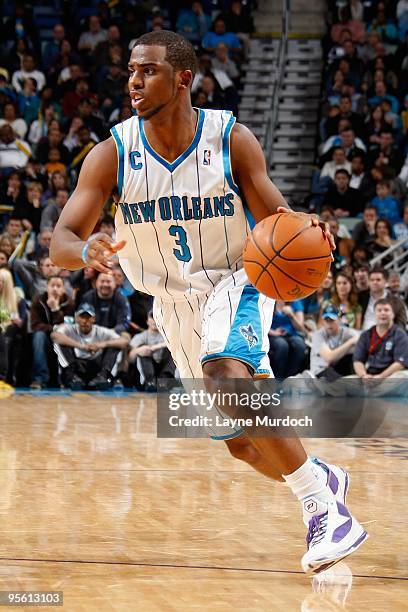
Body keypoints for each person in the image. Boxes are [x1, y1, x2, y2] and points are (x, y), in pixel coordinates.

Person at [50, 30, 367, 573]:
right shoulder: (112, 154)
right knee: (242, 444)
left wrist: (307, 233)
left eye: (146, 70)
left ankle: (324, 509)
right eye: (130, 71)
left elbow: (276, 220)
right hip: (171, 304)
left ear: (182, 78)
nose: (133, 81)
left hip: (235, 278)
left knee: (225, 375)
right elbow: (61, 241)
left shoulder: (231, 140)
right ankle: (320, 475)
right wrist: (86, 248)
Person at [52, 303, 129, 390]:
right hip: (76, 365)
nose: (85, 321)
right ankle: (72, 377)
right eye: (82, 317)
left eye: (88, 317)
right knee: (59, 343)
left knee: (116, 346)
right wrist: (81, 346)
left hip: (96, 366)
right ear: (77, 318)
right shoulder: (70, 328)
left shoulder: (100, 331)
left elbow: (124, 342)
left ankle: (103, 376)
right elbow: (55, 336)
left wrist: (101, 345)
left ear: (93, 319)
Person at [348, 298, 408, 396]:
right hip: (370, 375)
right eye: (379, 310)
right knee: (342, 382)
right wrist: (364, 376)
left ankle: (371, 393)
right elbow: (357, 360)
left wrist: (381, 377)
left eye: (386, 310)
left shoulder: (400, 335)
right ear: (374, 314)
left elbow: (400, 363)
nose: (383, 313)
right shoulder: (366, 335)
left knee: (403, 377)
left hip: (391, 375)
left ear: (393, 314)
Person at [30, 275, 75, 388]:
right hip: (44, 338)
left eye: (58, 286)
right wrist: (54, 329)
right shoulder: (38, 301)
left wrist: (56, 310)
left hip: (61, 339)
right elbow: (35, 325)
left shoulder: (69, 303)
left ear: (63, 289)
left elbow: (68, 328)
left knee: (66, 339)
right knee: (38, 336)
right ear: (47, 287)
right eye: (52, 286)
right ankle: (40, 379)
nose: (55, 289)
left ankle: (66, 379)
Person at [128, 309, 175, 391]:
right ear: (147, 321)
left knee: (172, 350)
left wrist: (155, 347)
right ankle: (150, 381)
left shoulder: (168, 336)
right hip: (144, 373)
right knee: (143, 349)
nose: (155, 320)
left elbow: (176, 344)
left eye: (157, 317)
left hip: (162, 370)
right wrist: (138, 350)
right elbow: (130, 359)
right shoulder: (140, 337)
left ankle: (164, 380)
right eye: (152, 317)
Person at [309, 304, 359, 379]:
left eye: (332, 320)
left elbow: (361, 338)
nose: (329, 324)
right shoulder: (318, 335)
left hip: (336, 367)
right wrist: (350, 343)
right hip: (320, 371)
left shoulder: (346, 332)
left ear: (339, 320)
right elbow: (329, 357)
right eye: (326, 320)